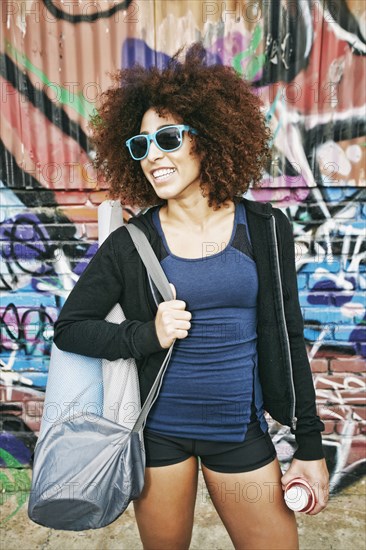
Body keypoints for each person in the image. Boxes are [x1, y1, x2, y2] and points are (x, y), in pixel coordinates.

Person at [53, 43, 329, 550]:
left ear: (210, 139)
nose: (153, 155)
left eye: (168, 138)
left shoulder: (266, 229)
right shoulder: (131, 244)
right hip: (160, 440)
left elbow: (289, 335)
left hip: (240, 434)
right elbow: (70, 329)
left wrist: (309, 445)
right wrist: (146, 334)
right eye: (141, 145)